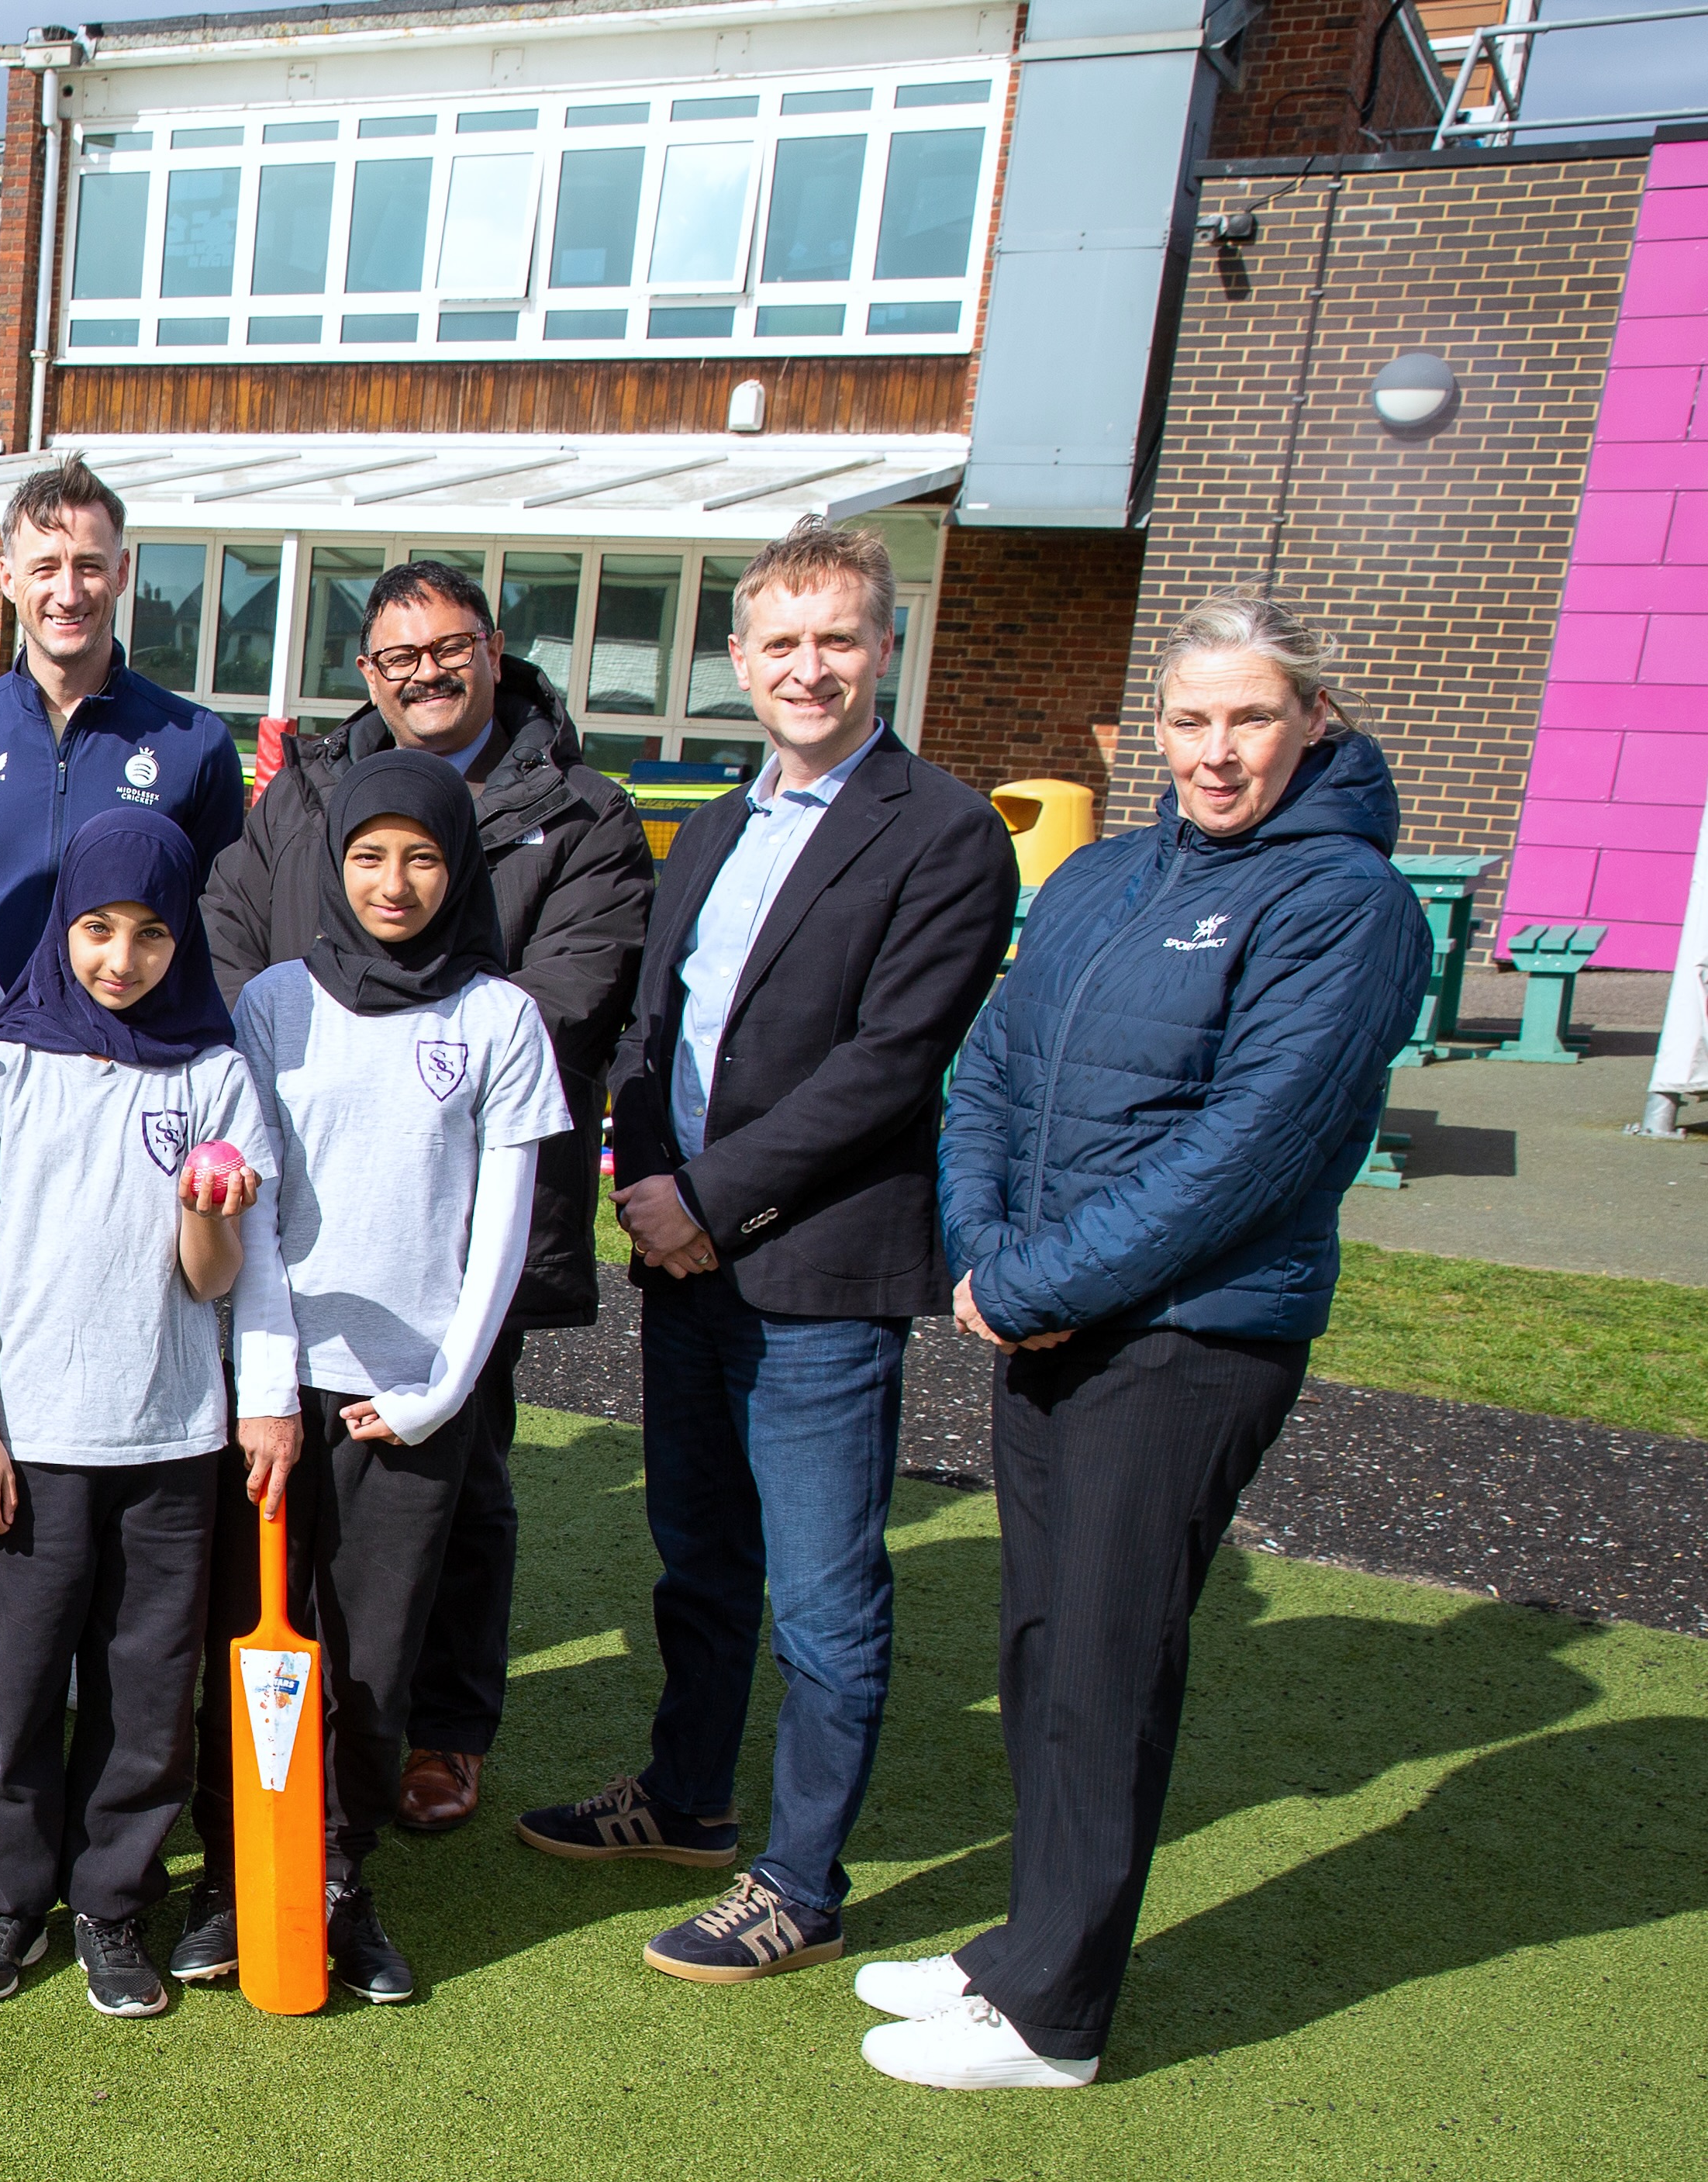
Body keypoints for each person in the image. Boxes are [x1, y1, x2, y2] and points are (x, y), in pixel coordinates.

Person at [869, 597, 1425, 2092]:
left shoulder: (1343, 904)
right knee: (1043, 1642)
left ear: (1312, 717)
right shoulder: (1106, 875)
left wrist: (1041, 1277)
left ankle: (1053, 2015)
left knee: (1102, 1659)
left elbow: (1253, 1147)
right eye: (1188, 721)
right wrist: (987, 1248)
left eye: (1248, 717)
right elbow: (987, 1065)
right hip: (1047, 1314)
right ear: (1149, 732)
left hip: (1183, 1339)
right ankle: (1020, 1948)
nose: (1215, 750)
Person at [512, 520, 1019, 1993]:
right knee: (699, 1555)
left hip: (814, 1274)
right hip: (691, 1264)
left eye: (837, 640)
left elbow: (888, 1065)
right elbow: (655, 1030)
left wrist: (706, 1196)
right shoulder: (723, 825)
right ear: (735, 661)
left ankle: (799, 1878)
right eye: (780, 644)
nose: (808, 668)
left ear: (883, 650)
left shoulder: (941, 831)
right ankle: (684, 1796)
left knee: (821, 1593)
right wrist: (638, 1171)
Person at [195, 558, 649, 1834]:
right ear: (366, 676)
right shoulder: (307, 787)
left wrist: (399, 1021)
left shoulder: (576, 806)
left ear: (492, 651)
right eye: (396, 659)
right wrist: (288, 1032)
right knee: (284, 1521)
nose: (424, 674)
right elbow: (232, 915)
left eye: (447, 649)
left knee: (457, 1485)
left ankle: (439, 1730)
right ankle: (252, 1800)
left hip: (452, 1226)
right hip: (297, 1200)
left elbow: (566, 996)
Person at [217, 754, 568, 2006]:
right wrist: (262, 1381)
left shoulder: (495, 1019)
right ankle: (232, 1876)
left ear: (456, 866)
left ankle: (334, 1880)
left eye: (420, 855)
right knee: (254, 1639)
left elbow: (499, 1230)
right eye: (368, 854)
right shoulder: (269, 1003)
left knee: (366, 1659)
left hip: (407, 1400)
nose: (393, 881)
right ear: (333, 862)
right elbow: (248, 1214)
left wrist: (440, 1391)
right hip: (273, 1387)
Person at [0, 811, 269, 2015]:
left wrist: (207, 1206)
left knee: (142, 1689)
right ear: (58, 925)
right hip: (29, 1445)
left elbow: (213, 1278)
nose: (119, 959)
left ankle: (110, 1903)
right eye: (94, 929)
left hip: (170, 1441)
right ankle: (8, 1898)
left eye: (147, 935)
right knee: (20, 1683)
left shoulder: (215, 1071)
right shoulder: (3, 1064)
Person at [0, 457, 248, 981]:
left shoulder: (195, 744)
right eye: (44, 568)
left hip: (125, 1053)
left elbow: (216, 925)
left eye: (88, 565)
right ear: (7, 578)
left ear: (123, 571)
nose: (68, 593)